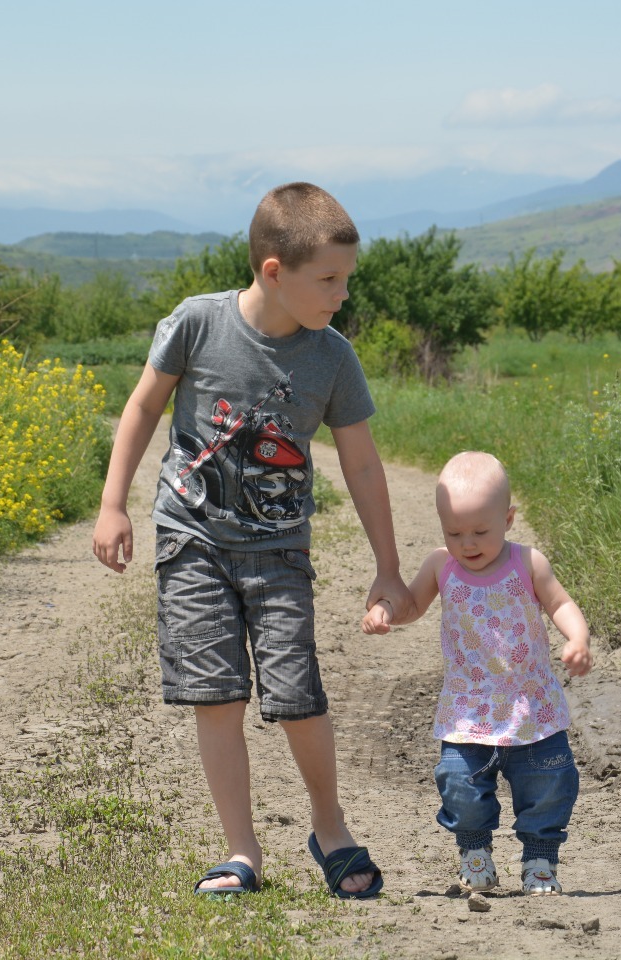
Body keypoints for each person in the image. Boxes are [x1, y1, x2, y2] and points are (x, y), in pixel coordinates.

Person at [93, 182, 412, 899]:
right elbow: (143, 406)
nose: (342, 294)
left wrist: (387, 566)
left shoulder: (333, 358)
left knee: (297, 695)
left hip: (278, 552)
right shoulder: (197, 325)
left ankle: (330, 827)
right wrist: (112, 504)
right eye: (329, 280)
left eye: (346, 279)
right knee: (216, 697)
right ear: (275, 270)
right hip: (192, 540)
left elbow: (360, 463)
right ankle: (242, 852)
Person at [362, 450, 592, 895]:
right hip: (468, 710)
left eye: (481, 531)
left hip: (532, 708)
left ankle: (540, 860)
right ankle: (474, 853)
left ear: (508, 519)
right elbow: (411, 604)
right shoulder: (440, 566)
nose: (467, 543)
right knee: (458, 783)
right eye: (454, 532)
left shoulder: (527, 562)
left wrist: (577, 639)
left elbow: (561, 604)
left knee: (549, 782)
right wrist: (385, 610)